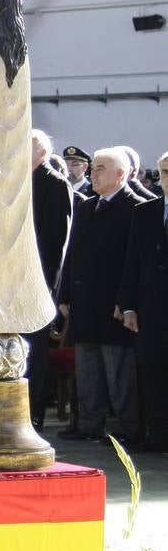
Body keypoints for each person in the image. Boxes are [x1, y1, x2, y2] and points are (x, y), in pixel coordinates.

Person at [58, 148, 139, 445]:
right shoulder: (86, 207)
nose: (94, 173)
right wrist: (64, 294)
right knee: (88, 368)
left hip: (113, 304)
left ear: (121, 174)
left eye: (102, 168)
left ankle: (127, 427)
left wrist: (126, 301)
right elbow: (72, 255)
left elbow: (133, 261)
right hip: (85, 302)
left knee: (119, 372)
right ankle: (89, 423)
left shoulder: (136, 208)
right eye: (94, 167)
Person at [118, 150, 168, 452]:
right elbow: (131, 262)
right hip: (151, 308)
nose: (167, 178)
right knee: (152, 371)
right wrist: (128, 306)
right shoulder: (145, 212)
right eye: (164, 171)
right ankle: (157, 433)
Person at [26, 130, 73, 431]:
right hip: (12, 283)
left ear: (41, 153)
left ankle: (34, 413)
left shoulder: (56, 185)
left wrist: (46, 290)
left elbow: (57, 244)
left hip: (38, 284)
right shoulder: (17, 182)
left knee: (35, 355)